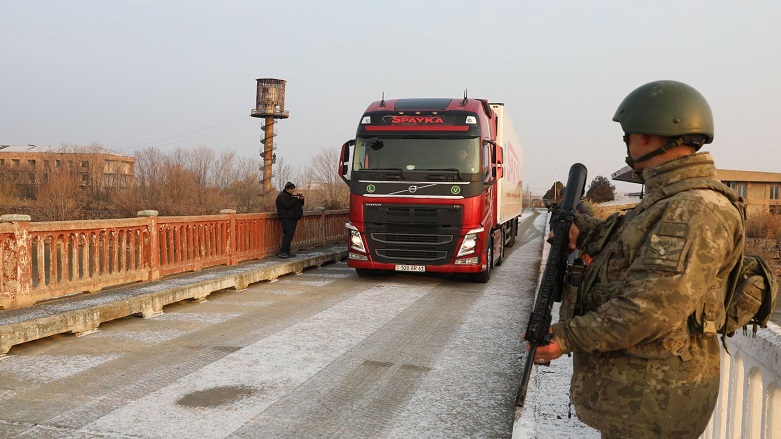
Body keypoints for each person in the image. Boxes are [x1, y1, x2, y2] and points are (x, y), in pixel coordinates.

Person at [531, 80, 745, 438]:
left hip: (653, 404)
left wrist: (565, 337)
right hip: (639, 397)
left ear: (647, 136)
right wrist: (580, 229)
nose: (627, 145)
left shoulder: (691, 209)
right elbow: (625, 246)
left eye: (628, 136)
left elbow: (649, 309)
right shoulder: (666, 200)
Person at [275, 181, 304, 258]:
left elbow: (299, 204)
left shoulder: (289, 196)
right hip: (287, 218)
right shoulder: (282, 196)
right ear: (288, 189)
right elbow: (287, 205)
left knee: (290, 235)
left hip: (292, 218)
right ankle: (283, 252)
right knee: (288, 235)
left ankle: (287, 251)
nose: (293, 191)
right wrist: (294, 198)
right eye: (292, 189)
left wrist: (301, 199)